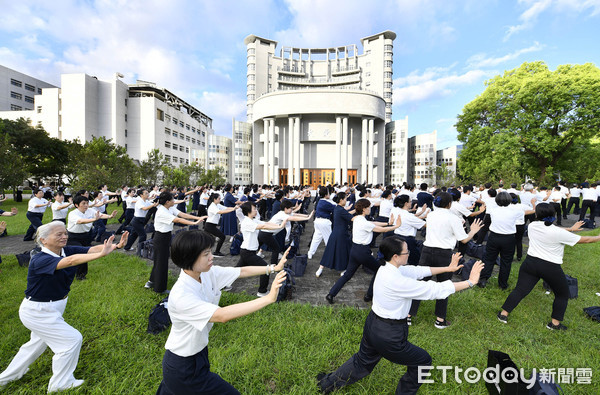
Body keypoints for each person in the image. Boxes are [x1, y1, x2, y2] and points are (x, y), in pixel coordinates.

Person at [317, 236, 484, 394]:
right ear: (396, 256)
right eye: (407, 252)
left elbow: (418, 271)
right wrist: (470, 282)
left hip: (373, 324)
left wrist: (448, 268)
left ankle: (326, 384)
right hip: (390, 334)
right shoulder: (398, 281)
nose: (409, 254)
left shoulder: (386, 269)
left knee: (361, 361)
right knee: (423, 361)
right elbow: (434, 290)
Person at [156, 230, 290, 394]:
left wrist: (273, 268)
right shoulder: (182, 295)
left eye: (210, 252)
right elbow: (222, 315)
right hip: (183, 366)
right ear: (189, 257)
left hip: (198, 355)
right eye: (206, 254)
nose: (211, 257)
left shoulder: (206, 273)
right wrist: (268, 298)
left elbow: (241, 271)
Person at [0, 222, 128, 392]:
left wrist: (116, 246)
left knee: (34, 345)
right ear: (43, 240)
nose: (64, 237)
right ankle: (59, 383)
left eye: (65, 233)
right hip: (37, 312)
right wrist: (101, 255)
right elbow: (70, 261)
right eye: (58, 234)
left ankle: (6, 378)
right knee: (71, 340)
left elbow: (90, 250)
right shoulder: (40, 259)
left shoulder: (66, 250)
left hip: (52, 308)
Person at [498, 203, 600, 330]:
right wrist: (598, 237)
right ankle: (554, 324)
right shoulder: (557, 232)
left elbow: (552, 230)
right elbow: (586, 240)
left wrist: (571, 229)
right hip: (550, 267)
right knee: (562, 294)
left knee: (520, 290)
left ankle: (503, 315)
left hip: (530, 264)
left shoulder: (532, 226)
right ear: (553, 215)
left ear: (537, 215)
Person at [408, 192, 483, 328]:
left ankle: (408, 315)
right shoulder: (453, 218)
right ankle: (440, 319)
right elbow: (464, 239)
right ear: (449, 204)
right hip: (443, 253)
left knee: (420, 283)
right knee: (444, 284)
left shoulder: (431, 215)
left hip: (427, 251)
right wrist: (472, 230)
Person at [325, 198, 401, 304]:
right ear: (364, 209)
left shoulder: (357, 219)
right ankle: (369, 295)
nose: (370, 208)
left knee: (347, 275)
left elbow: (373, 223)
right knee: (380, 271)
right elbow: (380, 229)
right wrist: (396, 226)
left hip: (354, 250)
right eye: (369, 207)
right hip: (362, 252)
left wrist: (388, 223)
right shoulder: (364, 222)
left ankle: (331, 294)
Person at [149, 192, 208, 294]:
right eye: (172, 199)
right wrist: (193, 223)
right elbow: (178, 219)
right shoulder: (162, 211)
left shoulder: (169, 208)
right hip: (160, 238)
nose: (174, 201)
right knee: (161, 263)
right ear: (167, 202)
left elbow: (182, 214)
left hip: (165, 236)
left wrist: (197, 218)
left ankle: (152, 281)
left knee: (159, 261)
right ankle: (159, 288)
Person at [478, 192, 534, 289]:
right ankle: (502, 284)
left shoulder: (493, 210)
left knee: (489, 259)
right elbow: (526, 213)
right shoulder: (516, 211)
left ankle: (483, 280)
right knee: (506, 261)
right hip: (508, 238)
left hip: (494, 237)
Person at [238, 202, 288, 297]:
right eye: (254, 209)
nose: (256, 210)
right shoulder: (247, 222)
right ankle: (262, 291)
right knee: (266, 269)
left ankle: (224, 283)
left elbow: (266, 223)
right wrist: (280, 226)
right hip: (247, 252)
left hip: (247, 251)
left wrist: (278, 225)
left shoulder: (253, 220)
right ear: (248, 211)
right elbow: (263, 227)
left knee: (236, 271)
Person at [67, 195, 117, 280]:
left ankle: (81, 275)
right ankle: (72, 272)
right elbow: (80, 221)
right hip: (73, 237)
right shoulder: (73, 214)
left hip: (86, 235)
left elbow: (100, 215)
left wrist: (110, 216)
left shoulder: (90, 210)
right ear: (76, 205)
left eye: (87, 203)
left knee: (84, 254)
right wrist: (94, 219)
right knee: (77, 254)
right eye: (83, 203)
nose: (86, 205)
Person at [316, 192, 354, 277]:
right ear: (341, 200)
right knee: (343, 251)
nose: (346, 200)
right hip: (342, 234)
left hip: (335, 233)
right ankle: (344, 269)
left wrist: (355, 210)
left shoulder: (337, 208)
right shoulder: (340, 209)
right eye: (345, 199)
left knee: (330, 251)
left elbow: (346, 214)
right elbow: (350, 217)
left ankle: (320, 269)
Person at [390, 195, 428, 266]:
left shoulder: (396, 211)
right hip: (408, 240)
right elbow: (425, 224)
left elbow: (413, 217)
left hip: (396, 236)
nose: (411, 203)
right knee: (414, 259)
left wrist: (422, 212)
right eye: (410, 201)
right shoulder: (408, 216)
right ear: (406, 203)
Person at [307, 187, 336, 260]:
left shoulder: (321, 200)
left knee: (316, 239)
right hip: (324, 222)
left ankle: (310, 253)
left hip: (318, 221)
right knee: (329, 240)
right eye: (329, 193)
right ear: (326, 194)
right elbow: (336, 207)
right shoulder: (326, 203)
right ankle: (331, 256)